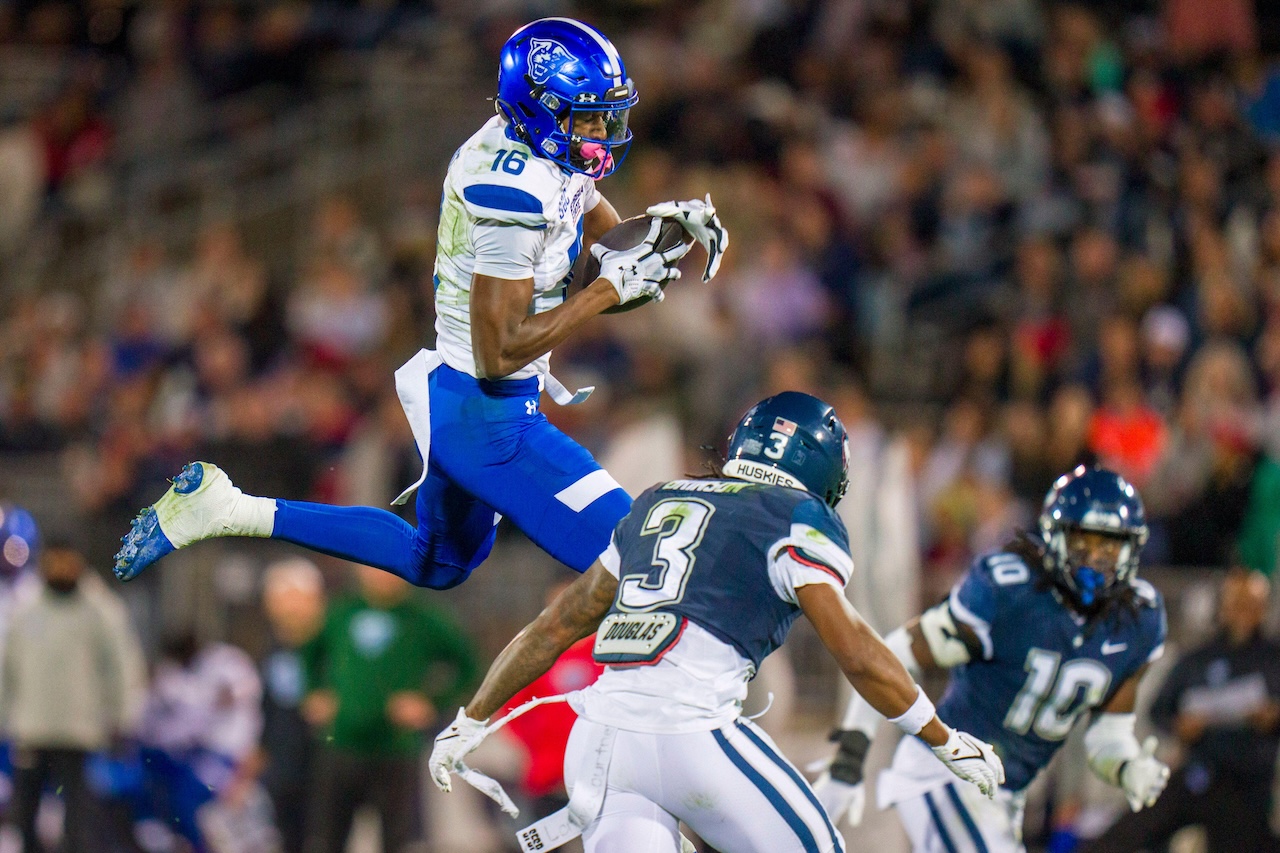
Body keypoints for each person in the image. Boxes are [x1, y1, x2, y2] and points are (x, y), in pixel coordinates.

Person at [111, 16, 727, 590]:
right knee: (649, 567)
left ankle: (229, 509)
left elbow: (598, 234)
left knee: (437, 564)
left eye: (604, 117)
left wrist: (656, 234)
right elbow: (500, 351)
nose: (600, 134)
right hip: (492, 419)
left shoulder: (540, 149)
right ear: (541, 111)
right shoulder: (510, 193)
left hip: (462, 403)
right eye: (587, 119)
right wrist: (606, 291)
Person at [429, 392, 1005, 853]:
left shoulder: (657, 501)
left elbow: (555, 625)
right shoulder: (797, 515)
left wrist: (470, 719)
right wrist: (942, 738)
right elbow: (854, 648)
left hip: (600, 743)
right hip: (688, 731)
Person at [812, 465, 1171, 852]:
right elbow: (897, 652)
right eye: (1085, 543)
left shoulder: (1138, 620)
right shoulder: (1011, 591)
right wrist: (851, 753)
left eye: (1109, 546)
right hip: (943, 771)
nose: (1095, 560)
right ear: (1056, 536)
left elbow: (1107, 735)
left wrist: (1127, 765)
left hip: (1004, 797)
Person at [1082, 568, 1280, 852]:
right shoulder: (1199, 658)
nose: (1242, 612)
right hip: (1197, 772)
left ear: (1263, 609)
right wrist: (1180, 725)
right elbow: (1159, 710)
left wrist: (1272, 719)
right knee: (1126, 832)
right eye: (1236, 603)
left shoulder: (1273, 659)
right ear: (1222, 607)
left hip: (1247, 785)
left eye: (1250, 605)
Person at [300, 564, 479, 853]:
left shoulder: (424, 618)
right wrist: (314, 693)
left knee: (397, 840)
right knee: (327, 838)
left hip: (397, 749)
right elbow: (308, 655)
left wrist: (431, 702)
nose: (381, 573)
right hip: (341, 744)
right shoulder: (340, 613)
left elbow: (468, 669)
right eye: (373, 565)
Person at [0, 532, 146, 853]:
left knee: (78, 820)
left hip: (80, 732)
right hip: (31, 728)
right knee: (25, 816)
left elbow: (122, 665)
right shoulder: (24, 607)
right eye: (54, 562)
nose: (60, 569)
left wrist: (124, 716)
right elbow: (6, 667)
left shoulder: (102, 609)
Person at [258, 557, 328, 853]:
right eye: (279, 601)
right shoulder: (274, 647)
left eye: (295, 601)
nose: (288, 610)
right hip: (283, 769)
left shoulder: (332, 646)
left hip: (323, 767)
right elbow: (271, 707)